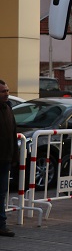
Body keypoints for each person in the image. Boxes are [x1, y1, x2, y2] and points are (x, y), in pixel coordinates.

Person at [0, 79, 19, 237]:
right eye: (3, 91)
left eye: (7, 90)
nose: (6, 93)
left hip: (5, 159)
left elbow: (13, 134)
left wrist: (15, 156)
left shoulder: (8, 108)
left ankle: (1, 224)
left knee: (2, 193)